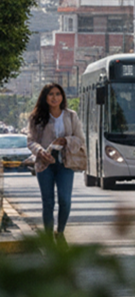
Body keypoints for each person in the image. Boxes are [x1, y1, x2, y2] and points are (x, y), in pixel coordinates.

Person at [26, 83, 84, 242]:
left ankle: (60, 232)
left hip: (65, 163)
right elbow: (31, 141)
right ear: (45, 97)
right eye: (51, 94)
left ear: (62, 97)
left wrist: (66, 140)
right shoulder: (36, 118)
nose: (54, 97)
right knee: (48, 202)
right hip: (44, 164)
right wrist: (40, 151)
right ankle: (48, 239)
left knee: (65, 200)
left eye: (58, 94)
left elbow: (80, 139)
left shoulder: (71, 116)